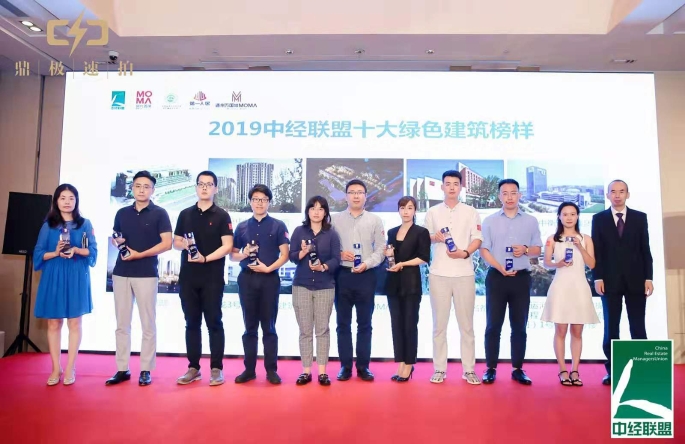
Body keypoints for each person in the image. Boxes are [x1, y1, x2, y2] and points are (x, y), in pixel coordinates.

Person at [105, 171, 172, 387]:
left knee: (147, 324)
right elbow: (115, 237)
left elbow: (167, 243)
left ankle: (145, 369)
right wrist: (117, 242)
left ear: (153, 190)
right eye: (138, 186)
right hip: (121, 272)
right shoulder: (122, 213)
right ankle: (122, 368)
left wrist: (140, 254)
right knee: (122, 324)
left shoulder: (160, 213)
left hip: (146, 273)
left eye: (146, 186)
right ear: (132, 188)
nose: (141, 190)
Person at [173, 171, 234, 386]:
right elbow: (175, 242)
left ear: (216, 188)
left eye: (209, 184)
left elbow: (227, 246)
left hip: (212, 278)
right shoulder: (185, 214)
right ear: (196, 187)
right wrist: (185, 245)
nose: (205, 188)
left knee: (214, 322)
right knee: (191, 323)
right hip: (188, 277)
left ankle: (216, 368)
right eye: (201, 184)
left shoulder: (222, 216)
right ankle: (193, 368)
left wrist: (206, 258)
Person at [479, 179, 542, 385]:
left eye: (513, 193)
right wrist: (499, 267)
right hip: (497, 277)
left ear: (519, 195)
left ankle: (518, 369)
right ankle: (490, 368)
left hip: (521, 279)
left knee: (519, 326)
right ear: (499, 196)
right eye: (504, 193)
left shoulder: (531, 221)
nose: (509, 197)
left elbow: (537, 249)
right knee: (493, 325)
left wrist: (525, 249)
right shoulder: (489, 221)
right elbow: (484, 250)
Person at [34, 184, 97, 386]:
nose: (67, 202)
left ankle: (70, 367)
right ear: (56, 201)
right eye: (63, 198)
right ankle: (56, 368)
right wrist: (55, 252)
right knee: (54, 323)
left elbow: (92, 252)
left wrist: (76, 250)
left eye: (71, 198)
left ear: (76, 201)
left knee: (75, 323)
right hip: (54, 275)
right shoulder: (48, 226)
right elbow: (38, 254)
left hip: (76, 275)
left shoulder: (85, 224)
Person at [592, 180, 653, 386]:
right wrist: (598, 277)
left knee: (638, 327)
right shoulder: (599, 219)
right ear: (607, 195)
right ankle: (613, 370)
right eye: (613, 192)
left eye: (621, 191)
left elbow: (645, 250)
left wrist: (648, 278)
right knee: (611, 328)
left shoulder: (640, 217)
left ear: (628, 194)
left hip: (637, 280)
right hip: (609, 282)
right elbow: (597, 251)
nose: (617, 195)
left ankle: (642, 370)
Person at [424, 170, 483, 385]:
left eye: (455, 184)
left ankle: (469, 370)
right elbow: (425, 237)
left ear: (460, 187)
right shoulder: (432, 212)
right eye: (447, 183)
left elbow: (477, 239)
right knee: (439, 326)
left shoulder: (471, 211)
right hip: (438, 274)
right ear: (442, 187)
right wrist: (436, 237)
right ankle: (439, 369)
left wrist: (464, 253)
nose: (451, 187)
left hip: (464, 274)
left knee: (466, 326)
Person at [231, 184, 290, 385]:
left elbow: (285, 255)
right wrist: (244, 254)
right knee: (249, 327)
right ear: (250, 202)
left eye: (263, 199)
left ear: (269, 202)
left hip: (269, 280)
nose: (259, 203)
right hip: (247, 279)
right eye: (256, 199)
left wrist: (268, 268)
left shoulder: (278, 225)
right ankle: (249, 370)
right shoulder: (241, 227)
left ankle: (271, 370)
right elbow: (232, 256)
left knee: (269, 327)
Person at [331, 179, 385, 382]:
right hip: (342, 275)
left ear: (366, 196)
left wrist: (367, 263)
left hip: (366, 276)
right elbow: (327, 247)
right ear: (346, 196)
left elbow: (381, 249)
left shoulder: (375, 220)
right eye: (352, 192)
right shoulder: (334, 220)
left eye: (360, 192)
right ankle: (345, 366)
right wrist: (338, 254)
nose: (356, 196)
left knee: (365, 324)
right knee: (342, 324)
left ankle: (363, 367)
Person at [541, 202, 599, 387]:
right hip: (560, 287)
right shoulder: (552, 239)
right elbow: (546, 262)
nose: (569, 217)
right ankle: (562, 370)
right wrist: (557, 264)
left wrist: (580, 246)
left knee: (577, 331)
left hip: (579, 287)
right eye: (565, 214)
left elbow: (592, 264)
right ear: (559, 216)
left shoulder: (586, 238)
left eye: (572, 214)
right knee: (560, 330)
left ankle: (575, 370)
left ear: (578, 216)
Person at [289, 196, 341, 386]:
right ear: (308, 211)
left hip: (325, 286)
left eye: (320, 209)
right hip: (301, 285)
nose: (316, 212)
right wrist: (302, 252)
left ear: (325, 212)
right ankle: (306, 371)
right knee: (305, 331)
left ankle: (322, 372)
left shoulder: (332, 234)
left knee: (322, 330)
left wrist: (323, 267)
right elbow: (292, 256)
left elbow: (336, 259)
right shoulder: (299, 231)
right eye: (313, 208)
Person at [385, 196, 430, 382]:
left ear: (415, 211)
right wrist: (388, 255)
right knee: (396, 324)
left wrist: (403, 263)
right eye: (402, 207)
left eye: (410, 208)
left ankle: (409, 364)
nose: (406, 211)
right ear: (398, 210)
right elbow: (390, 256)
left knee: (410, 324)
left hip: (411, 282)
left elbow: (424, 257)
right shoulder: (391, 231)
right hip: (393, 282)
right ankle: (401, 362)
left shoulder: (421, 232)